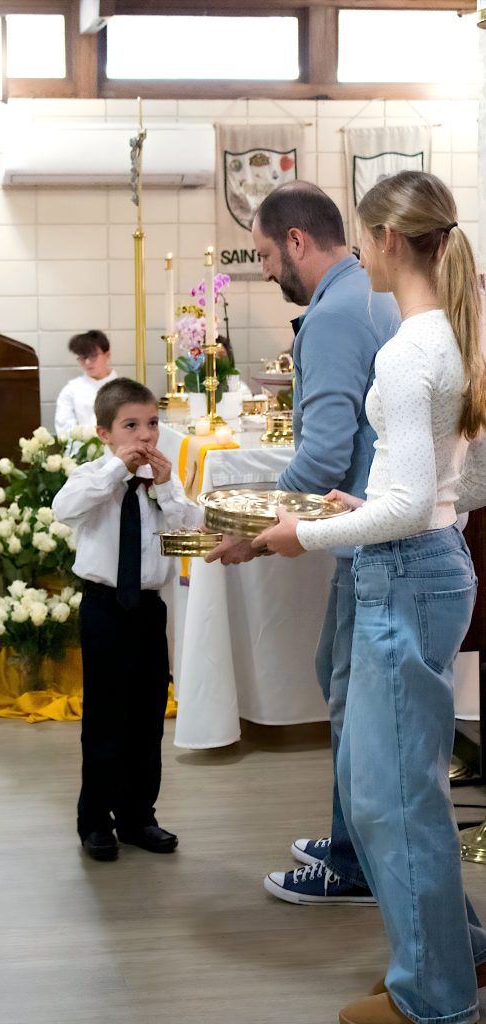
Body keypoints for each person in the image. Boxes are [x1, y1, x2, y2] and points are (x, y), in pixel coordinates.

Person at [260, 170, 486, 1024]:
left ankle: (433, 1000)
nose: (360, 253)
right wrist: (371, 504)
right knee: (390, 790)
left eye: (364, 237)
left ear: (389, 240)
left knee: (393, 799)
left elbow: (409, 504)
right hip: (429, 560)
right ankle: (460, 955)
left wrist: (304, 533)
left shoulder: (411, 347)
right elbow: (452, 484)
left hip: (407, 572)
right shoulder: (446, 334)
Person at [208, 181, 399, 905]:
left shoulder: (333, 314)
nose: (264, 270)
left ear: (296, 240)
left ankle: (353, 867)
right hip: (380, 526)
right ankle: (352, 841)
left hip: (371, 537)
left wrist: (249, 531)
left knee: (352, 702)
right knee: (340, 680)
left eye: (264, 254)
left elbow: (321, 456)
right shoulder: (368, 293)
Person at [52, 377, 202, 861]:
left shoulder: (161, 481)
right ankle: (96, 820)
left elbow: (190, 527)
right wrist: (117, 469)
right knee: (105, 717)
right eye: (131, 426)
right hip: (104, 608)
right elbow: (63, 508)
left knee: (146, 716)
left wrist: (166, 488)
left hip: (149, 610)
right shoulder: (92, 475)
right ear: (104, 433)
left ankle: (139, 817)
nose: (145, 436)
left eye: (152, 424)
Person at [54, 329, 117, 436]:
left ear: (107, 355)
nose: (87, 362)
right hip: (83, 446)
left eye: (93, 356)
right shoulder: (71, 390)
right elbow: (64, 429)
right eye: (83, 357)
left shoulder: (125, 388)